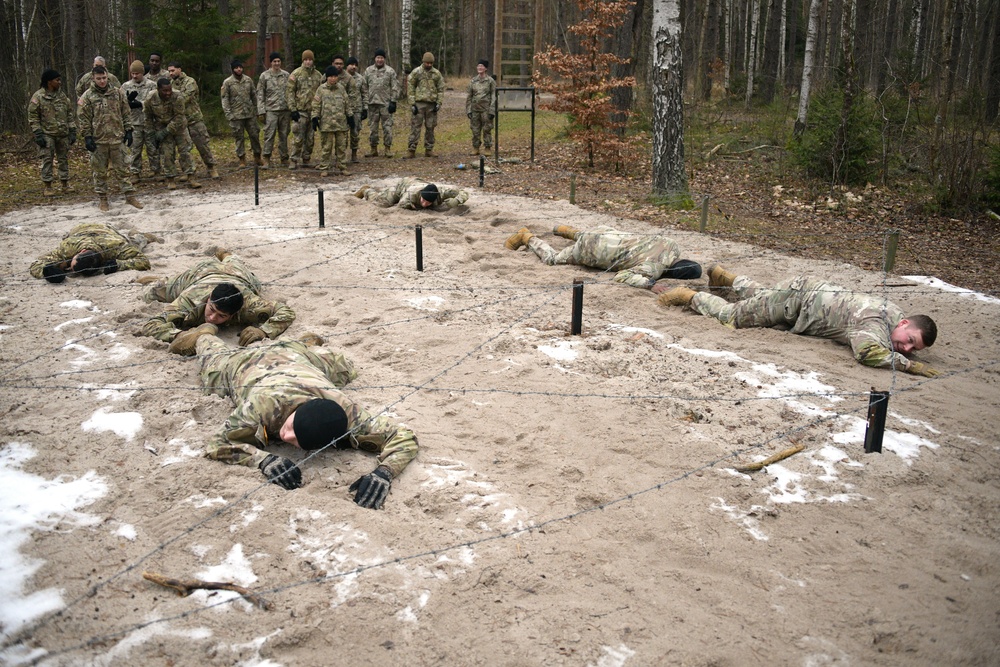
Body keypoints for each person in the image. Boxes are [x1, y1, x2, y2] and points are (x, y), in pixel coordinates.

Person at [167, 327, 418, 508]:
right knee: (212, 366)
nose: (285, 436)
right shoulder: (263, 405)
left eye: (295, 439)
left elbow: (404, 436)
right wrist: (261, 460)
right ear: (290, 414)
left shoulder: (350, 415)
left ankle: (302, 343)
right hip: (242, 364)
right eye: (288, 428)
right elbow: (218, 443)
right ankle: (204, 336)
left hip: (297, 358)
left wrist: (384, 472)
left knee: (344, 368)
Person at [656, 265, 941, 376]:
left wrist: (907, 355)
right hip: (795, 303)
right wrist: (910, 366)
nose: (906, 349)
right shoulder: (877, 322)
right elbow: (866, 351)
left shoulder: (893, 311)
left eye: (913, 350)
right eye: (910, 342)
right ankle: (687, 295)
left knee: (765, 297)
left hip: (802, 292)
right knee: (733, 317)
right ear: (904, 325)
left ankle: (727, 279)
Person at [139, 249, 296, 344]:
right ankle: (162, 280)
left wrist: (264, 331)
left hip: (238, 276)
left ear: (234, 314)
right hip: (199, 276)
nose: (213, 318)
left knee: (240, 267)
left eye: (221, 316)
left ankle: (227, 256)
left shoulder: (250, 305)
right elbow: (151, 325)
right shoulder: (189, 301)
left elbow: (286, 312)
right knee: (151, 293)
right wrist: (182, 335)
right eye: (211, 309)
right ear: (208, 300)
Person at [504, 225, 701, 288]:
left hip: (603, 232)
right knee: (552, 259)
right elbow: (622, 276)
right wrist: (650, 284)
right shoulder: (654, 268)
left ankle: (566, 230)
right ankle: (527, 237)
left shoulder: (671, 245)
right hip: (590, 251)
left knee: (594, 236)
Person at [78, 67, 142, 212]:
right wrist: (87, 136)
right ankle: (103, 199)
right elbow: (84, 119)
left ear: (108, 77)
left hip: (117, 138)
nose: (102, 81)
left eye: (104, 78)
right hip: (98, 140)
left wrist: (129, 131)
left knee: (123, 169)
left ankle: (130, 196)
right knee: (100, 172)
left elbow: (125, 112)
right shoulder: (87, 96)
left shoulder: (117, 93)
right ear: (93, 78)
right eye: (99, 78)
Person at [29, 222, 154, 282]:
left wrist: (118, 265)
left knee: (135, 245)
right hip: (80, 229)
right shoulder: (68, 248)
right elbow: (37, 264)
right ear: (81, 251)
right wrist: (48, 272)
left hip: (107, 232)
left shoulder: (115, 246)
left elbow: (143, 261)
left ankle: (138, 235)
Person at [144, 78, 200, 190]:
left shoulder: (178, 96)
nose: (168, 93)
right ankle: (170, 179)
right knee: (167, 153)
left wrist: (166, 131)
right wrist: (151, 134)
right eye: (165, 91)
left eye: (169, 90)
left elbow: (179, 117)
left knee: (185, 152)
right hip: (161, 126)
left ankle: (191, 177)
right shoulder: (150, 99)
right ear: (158, 89)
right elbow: (148, 117)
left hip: (179, 127)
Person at [27, 69, 76, 197]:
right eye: (57, 80)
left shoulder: (62, 96)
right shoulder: (38, 97)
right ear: (49, 82)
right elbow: (33, 117)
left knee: (63, 159)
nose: (60, 82)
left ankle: (65, 183)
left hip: (62, 134)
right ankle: (48, 186)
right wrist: (38, 133)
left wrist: (72, 130)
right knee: (47, 160)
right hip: (47, 134)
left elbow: (69, 114)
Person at [168, 62, 219, 179]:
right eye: (169, 71)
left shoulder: (190, 82)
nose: (171, 73)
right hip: (181, 122)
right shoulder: (170, 84)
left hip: (194, 119)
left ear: (179, 69)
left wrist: (172, 101)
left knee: (203, 145)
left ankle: (211, 167)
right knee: (184, 149)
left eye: (173, 70)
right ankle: (187, 171)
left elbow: (185, 98)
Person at [311, 66, 354, 177]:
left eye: (335, 76)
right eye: (331, 76)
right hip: (327, 124)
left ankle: (342, 167)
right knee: (326, 147)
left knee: (341, 147)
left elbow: (347, 103)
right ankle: (325, 167)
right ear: (327, 77)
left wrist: (350, 116)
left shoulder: (341, 89)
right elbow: (316, 105)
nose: (333, 79)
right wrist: (315, 118)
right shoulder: (321, 89)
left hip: (341, 123)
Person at [121, 60, 159, 183]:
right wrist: (127, 102)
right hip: (134, 123)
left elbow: (155, 102)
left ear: (142, 72)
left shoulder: (152, 85)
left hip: (149, 122)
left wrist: (140, 104)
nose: (134, 76)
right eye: (132, 73)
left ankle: (156, 170)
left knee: (153, 148)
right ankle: (135, 172)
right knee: (135, 149)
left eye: (137, 73)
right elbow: (120, 104)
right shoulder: (125, 86)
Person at [286, 49, 324, 170]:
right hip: (300, 111)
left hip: (312, 112)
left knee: (310, 138)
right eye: (306, 60)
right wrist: (293, 110)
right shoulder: (296, 74)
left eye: (310, 60)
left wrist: (318, 112)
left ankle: (306, 158)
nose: (308, 62)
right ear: (303, 61)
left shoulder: (318, 75)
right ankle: (294, 159)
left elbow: (321, 93)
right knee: (298, 138)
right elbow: (290, 93)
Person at [221, 60, 262, 167]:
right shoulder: (228, 82)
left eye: (240, 67)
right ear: (233, 69)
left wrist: (257, 110)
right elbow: (225, 99)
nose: (239, 69)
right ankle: (242, 159)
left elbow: (254, 96)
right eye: (236, 68)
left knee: (255, 135)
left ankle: (257, 157)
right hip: (236, 115)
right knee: (239, 138)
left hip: (249, 114)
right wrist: (229, 114)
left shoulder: (248, 80)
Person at [406, 52, 444, 159]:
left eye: (431, 63)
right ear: (423, 62)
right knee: (415, 127)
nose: (429, 65)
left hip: (431, 105)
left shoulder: (436, 74)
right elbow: (410, 87)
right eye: (427, 63)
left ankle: (429, 149)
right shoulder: (416, 72)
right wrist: (412, 103)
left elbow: (441, 89)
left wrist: (438, 102)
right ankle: (411, 149)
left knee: (430, 127)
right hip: (419, 104)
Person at [362, 48, 399, 158]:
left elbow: (395, 87)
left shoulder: (390, 71)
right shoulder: (368, 71)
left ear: (384, 59)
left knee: (387, 128)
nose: (379, 60)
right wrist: (365, 102)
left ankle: (387, 149)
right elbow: (364, 87)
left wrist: (394, 101)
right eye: (378, 57)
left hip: (385, 104)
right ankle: (373, 149)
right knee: (373, 129)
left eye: (381, 58)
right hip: (372, 104)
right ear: (375, 58)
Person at [256, 51, 290, 168]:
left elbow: (290, 92)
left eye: (278, 61)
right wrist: (261, 111)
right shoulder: (264, 76)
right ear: (271, 63)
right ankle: (266, 158)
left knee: (284, 135)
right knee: (269, 135)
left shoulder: (286, 75)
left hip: (285, 110)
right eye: (274, 61)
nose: (277, 63)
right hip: (271, 110)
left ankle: (284, 158)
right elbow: (260, 94)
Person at [354, 177, 469, 210]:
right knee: (382, 203)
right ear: (420, 196)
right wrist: (413, 207)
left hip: (419, 182)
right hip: (403, 186)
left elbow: (464, 192)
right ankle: (366, 190)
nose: (424, 204)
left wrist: (456, 201)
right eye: (423, 200)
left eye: (428, 203)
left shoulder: (443, 192)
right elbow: (400, 207)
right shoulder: (410, 195)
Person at [465, 59, 496, 156]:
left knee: (487, 129)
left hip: (486, 110)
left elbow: (494, 95)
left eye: (482, 66)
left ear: (485, 68)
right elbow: (469, 96)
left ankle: (487, 147)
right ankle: (475, 147)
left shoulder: (490, 81)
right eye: (478, 66)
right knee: (475, 129)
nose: (479, 68)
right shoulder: (473, 81)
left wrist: (492, 110)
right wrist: (469, 109)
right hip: (475, 109)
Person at [343, 57, 367, 163]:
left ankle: (354, 154)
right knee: (343, 134)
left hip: (356, 110)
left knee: (355, 133)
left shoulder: (361, 79)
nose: (353, 67)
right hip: (343, 110)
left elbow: (365, 94)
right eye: (351, 64)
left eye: (355, 65)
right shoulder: (341, 77)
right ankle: (341, 156)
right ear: (347, 66)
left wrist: (365, 108)